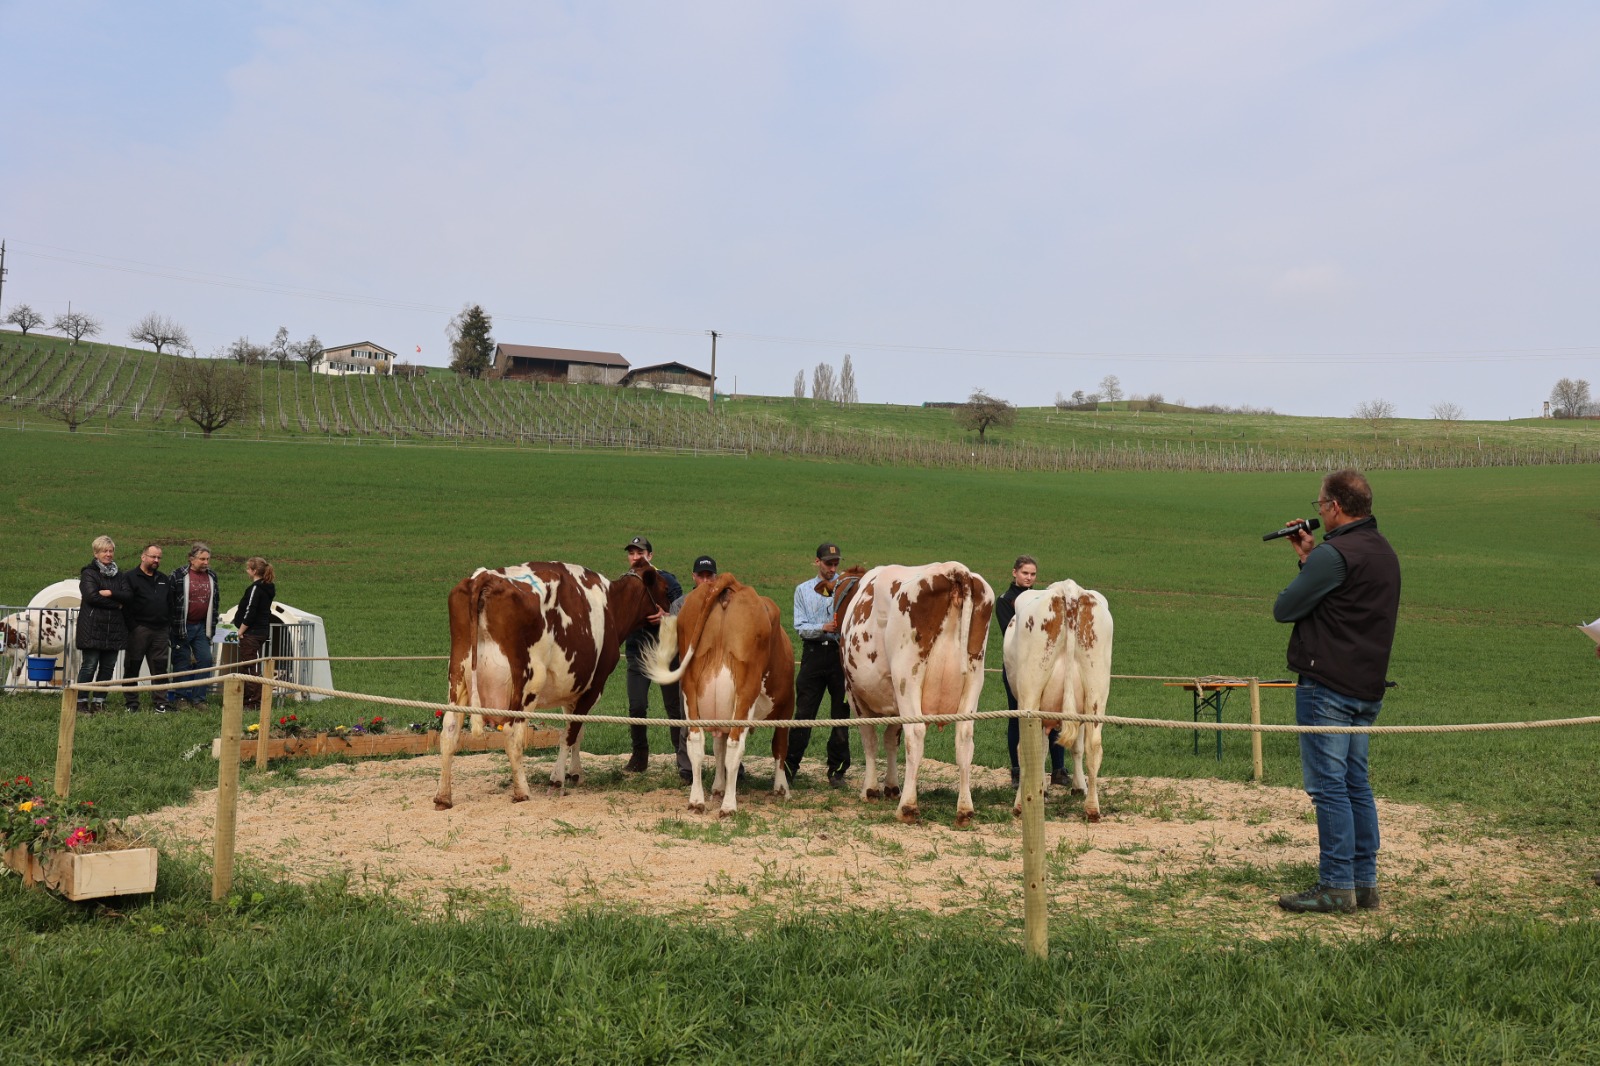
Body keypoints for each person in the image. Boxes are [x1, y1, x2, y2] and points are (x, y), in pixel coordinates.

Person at [1272, 469, 1401, 915]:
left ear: (1335, 507)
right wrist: (1313, 556)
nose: (1320, 512)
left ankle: (1336, 885)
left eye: (1320, 505)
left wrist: (1311, 560)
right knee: (1355, 784)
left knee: (1328, 788)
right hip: (1367, 686)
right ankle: (1364, 883)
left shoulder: (1335, 554)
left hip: (1326, 685)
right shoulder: (1383, 550)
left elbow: (1284, 607)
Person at [996, 555, 1068, 788]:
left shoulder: (1041, 600)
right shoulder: (1005, 601)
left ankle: (1058, 769)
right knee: (1017, 718)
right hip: (1017, 668)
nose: (1029, 577)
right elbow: (1011, 633)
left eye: (1033, 574)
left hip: (1045, 667)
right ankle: (1017, 770)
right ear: (1014, 573)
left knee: (1054, 715)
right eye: (1025, 573)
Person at [620, 536, 688, 779]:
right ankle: (639, 757)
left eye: (640, 552)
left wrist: (666, 616)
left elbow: (683, 611)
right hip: (637, 652)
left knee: (674, 707)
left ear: (651, 555)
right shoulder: (626, 582)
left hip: (666, 652)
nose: (635, 557)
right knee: (636, 706)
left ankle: (682, 759)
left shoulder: (668, 580)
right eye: (631, 553)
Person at [787, 541, 851, 787]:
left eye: (836, 563)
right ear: (817, 562)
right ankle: (790, 766)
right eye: (828, 563)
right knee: (804, 713)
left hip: (839, 656)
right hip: (813, 655)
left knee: (840, 715)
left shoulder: (847, 588)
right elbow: (800, 627)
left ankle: (838, 771)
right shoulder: (802, 590)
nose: (833, 568)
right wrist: (823, 628)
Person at [74, 535, 130, 715]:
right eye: (104, 551)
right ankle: (81, 701)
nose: (108, 554)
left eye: (111, 550)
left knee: (108, 667)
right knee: (89, 665)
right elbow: (91, 597)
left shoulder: (120, 575)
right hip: (91, 628)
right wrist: (116, 603)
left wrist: (110, 592)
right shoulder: (88, 573)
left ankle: (99, 702)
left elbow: (128, 596)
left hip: (114, 629)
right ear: (96, 553)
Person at [121, 543, 174, 713]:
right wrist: (133, 627)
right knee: (132, 666)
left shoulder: (164, 579)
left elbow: (170, 603)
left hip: (160, 631)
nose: (156, 560)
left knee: (159, 668)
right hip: (139, 629)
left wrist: (167, 624)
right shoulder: (130, 577)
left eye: (159, 557)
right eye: (153, 556)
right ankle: (131, 702)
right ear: (143, 557)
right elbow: (125, 604)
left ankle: (161, 702)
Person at [169, 542, 221, 708]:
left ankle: (199, 698)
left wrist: (211, 626)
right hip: (182, 625)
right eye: (202, 559)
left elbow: (216, 602)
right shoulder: (178, 575)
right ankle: (180, 697)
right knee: (182, 661)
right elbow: (169, 601)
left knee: (205, 659)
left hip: (202, 627)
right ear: (191, 559)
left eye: (208, 559)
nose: (206, 562)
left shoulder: (212, 576)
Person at [234, 557, 278, 710]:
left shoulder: (256, 588)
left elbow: (250, 611)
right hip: (261, 631)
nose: (247, 571)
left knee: (250, 667)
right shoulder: (268, 586)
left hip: (252, 633)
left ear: (253, 571)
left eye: (248, 568)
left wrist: (241, 630)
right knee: (251, 666)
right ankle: (250, 700)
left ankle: (253, 702)